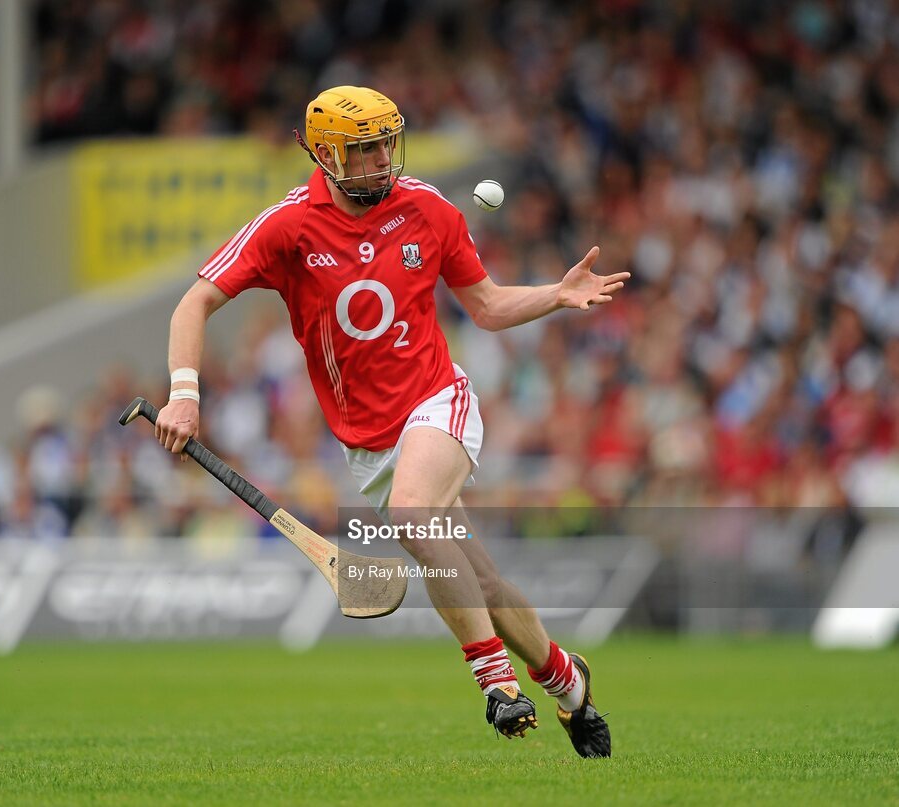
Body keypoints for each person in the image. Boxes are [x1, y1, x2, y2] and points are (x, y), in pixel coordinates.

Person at [155, 86, 627, 757]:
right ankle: (563, 677)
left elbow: (487, 306)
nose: (381, 159)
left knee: (413, 514)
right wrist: (184, 395)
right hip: (369, 443)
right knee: (482, 582)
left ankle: (495, 682)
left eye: (386, 143)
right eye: (364, 148)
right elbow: (194, 302)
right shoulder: (286, 226)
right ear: (323, 153)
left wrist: (555, 293)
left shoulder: (427, 207)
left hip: (438, 402)